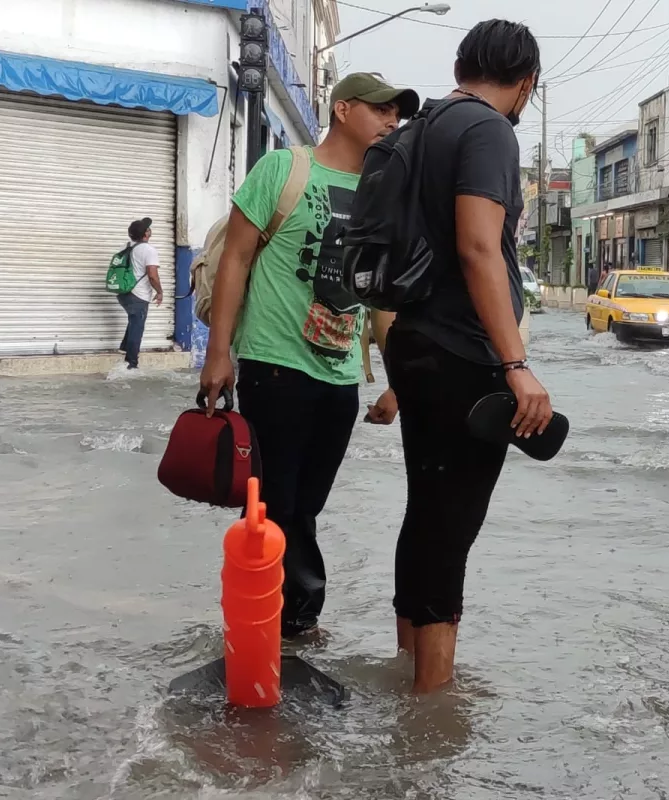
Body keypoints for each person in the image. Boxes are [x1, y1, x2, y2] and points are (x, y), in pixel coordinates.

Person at [199, 73, 419, 639]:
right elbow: (236, 260)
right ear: (342, 109)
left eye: (398, 114)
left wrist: (399, 385)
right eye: (381, 110)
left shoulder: (383, 195)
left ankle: (280, 622)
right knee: (277, 502)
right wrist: (218, 354)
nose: (392, 121)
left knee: (306, 505)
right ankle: (283, 624)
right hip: (275, 363)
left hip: (340, 373)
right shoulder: (284, 168)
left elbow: (381, 302)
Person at [383, 19, 553, 693]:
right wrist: (516, 364)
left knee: (426, 509)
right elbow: (480, 247)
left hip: (413, 340)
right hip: (464, 353)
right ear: (525, 84)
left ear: (461, 63)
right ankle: (431, 707)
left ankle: (405, 670)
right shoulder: (487, 130)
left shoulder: (419, 127)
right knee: (450, 525)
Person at [120, 218, 164, 369]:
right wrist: (159, 292)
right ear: (146, 233)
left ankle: (125, 348)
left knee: (134, 322)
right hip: (138, 294)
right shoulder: (148, 250)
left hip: (124, 292)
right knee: (137, 326)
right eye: (148, 228)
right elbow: (152, 275)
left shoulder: (128, 247)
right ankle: (131, 364)